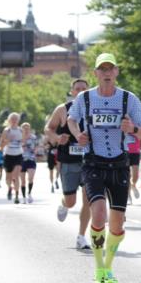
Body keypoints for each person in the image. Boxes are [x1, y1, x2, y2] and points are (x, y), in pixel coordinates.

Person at [67, 53, 141, 283]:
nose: (106, 73)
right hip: (93, 163)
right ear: (95, 73)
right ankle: (99, 270)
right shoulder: (84, 98)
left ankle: (109, 267)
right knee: (98, 213)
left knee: (117, 225)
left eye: (110, 68)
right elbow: (72, 119)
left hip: (119, 164)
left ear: (116, 72)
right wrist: (78, 135)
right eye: (102, 69)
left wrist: (132, 128)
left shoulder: (128, 99)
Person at [46, 78, 93, 249]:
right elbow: (48, 128)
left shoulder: (94, 108)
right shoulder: (62, 109)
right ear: (72, 92)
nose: (80, 91)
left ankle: (81, 236)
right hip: (68, 160)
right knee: (71, 201)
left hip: (89, 161)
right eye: (77, 88)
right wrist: (57, 137)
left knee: (88, 200)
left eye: (84, 88)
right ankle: (64, 203)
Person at [0, 114, 27, 204]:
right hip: (8, 155)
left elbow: (23, 142)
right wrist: (7, 141)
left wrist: (21, 142)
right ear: (9, 120)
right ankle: (9, 188)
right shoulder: (6, 130)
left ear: (18, 120)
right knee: (8, 177)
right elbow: (0, 146)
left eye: (16, 119)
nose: (14, 120)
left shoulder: (21, 130)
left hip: (18, 155)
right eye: (12, 119)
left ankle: (17, 195)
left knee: (16, 175)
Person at [21, 122, 38, 203]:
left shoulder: (33, 137)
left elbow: (37, 146)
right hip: (21, 160)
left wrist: (35, 151)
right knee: (23, 181)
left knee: (30, 178)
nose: (26, 130)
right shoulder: (19, 138)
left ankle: (29, 193)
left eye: (27, 128)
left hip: (31, 159)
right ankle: (24, 197)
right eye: (24, 128)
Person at [126, 132, 141, 201]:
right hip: (125, 152)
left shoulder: (137, 126)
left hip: (135, 152)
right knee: (127, 175)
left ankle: (133, 185)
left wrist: (133, 131)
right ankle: (128, 194)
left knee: (136, 176)